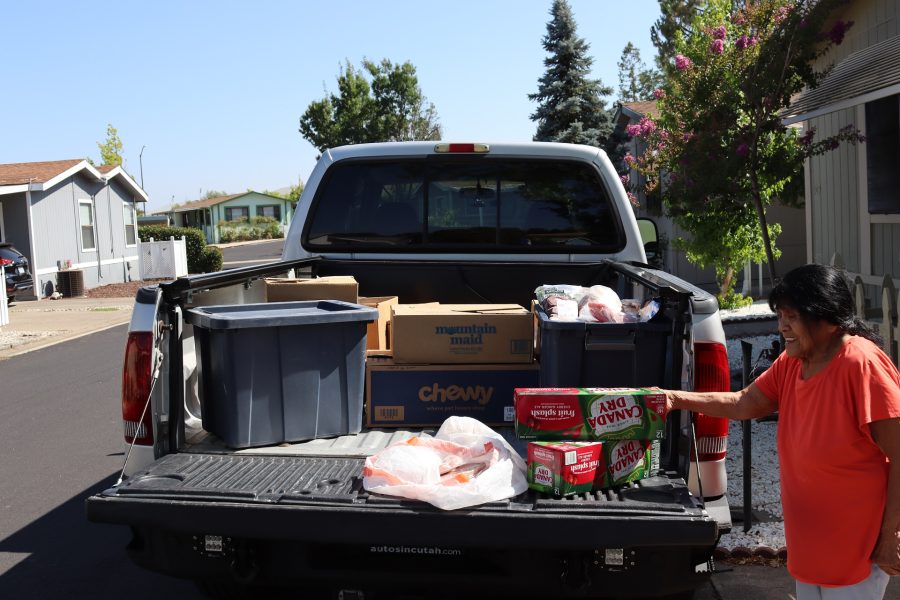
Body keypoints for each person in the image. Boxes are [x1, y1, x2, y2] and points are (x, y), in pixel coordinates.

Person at [665, 263, 900, 599]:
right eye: (780, 315)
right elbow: (744, 403)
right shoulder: (793, 361)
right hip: (812, 543)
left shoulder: (861, 363)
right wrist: (673, 399)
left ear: (825, 316)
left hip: (857, 544)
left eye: (791, 316)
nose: (782, 327)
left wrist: (891, 535)